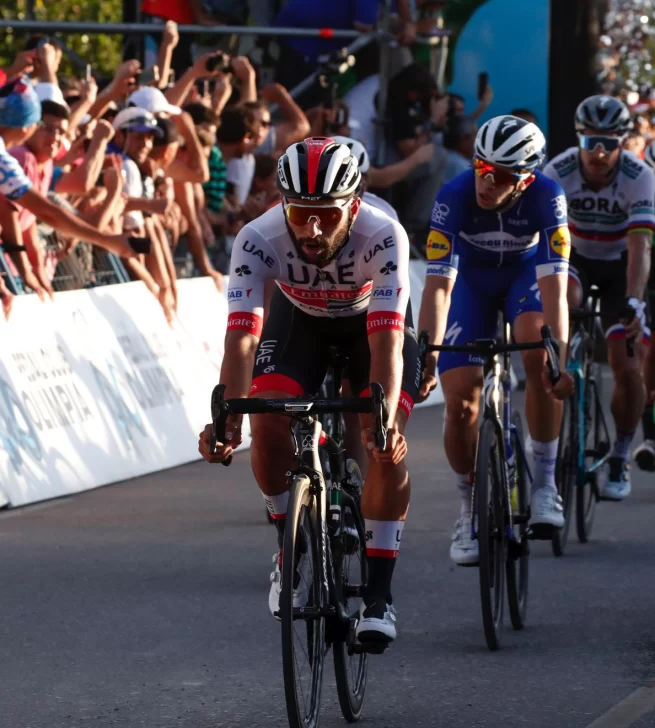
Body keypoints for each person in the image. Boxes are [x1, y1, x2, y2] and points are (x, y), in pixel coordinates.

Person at [198, 137, 420, 646]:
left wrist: (385, 418)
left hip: (370, 327)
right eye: (299, 213)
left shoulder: (384, 234)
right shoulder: (257, 237)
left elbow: (387, 341)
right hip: (300, 323)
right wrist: (227, 419)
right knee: (266, 419)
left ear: (354, 206)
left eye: (327, 214)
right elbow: (242, 338)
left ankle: (379, 595)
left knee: (382, 437)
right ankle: (289, 545)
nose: (312, 229)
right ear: (283, 204)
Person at [418, 115, 574, 565]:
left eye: (501, 176)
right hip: (471, 284)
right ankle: (468, 509)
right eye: (482, 168)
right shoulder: (453, 196)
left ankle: (545, 484)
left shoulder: (548, 195)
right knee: (460, 402)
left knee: (539, 356)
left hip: (524, 279)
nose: (487, 182)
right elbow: (438, 289)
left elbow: (554, 292)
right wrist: (426, 355)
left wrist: (560, 361)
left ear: (526, 179)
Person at [543, 95, 655, 499]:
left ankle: (620, 455)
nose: (600, 153)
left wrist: (634, 300)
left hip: (620, 263)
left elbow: (641, 247)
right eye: (592, 142)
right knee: (566, 298)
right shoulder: (558, 170)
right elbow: (546, 243)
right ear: (579, 139)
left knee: (627, 366)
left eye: (609, 143)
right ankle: (569, 357)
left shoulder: (639, 175)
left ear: (623, 143)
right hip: (576, 258)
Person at [0, 78, 134, 265]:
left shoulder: (42, 163)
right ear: (28, 128)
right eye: (45, 127)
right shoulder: (20, 157)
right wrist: (108, 240)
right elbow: (44, 212)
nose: (55, 137)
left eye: (60, 132)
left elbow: (76, 187)